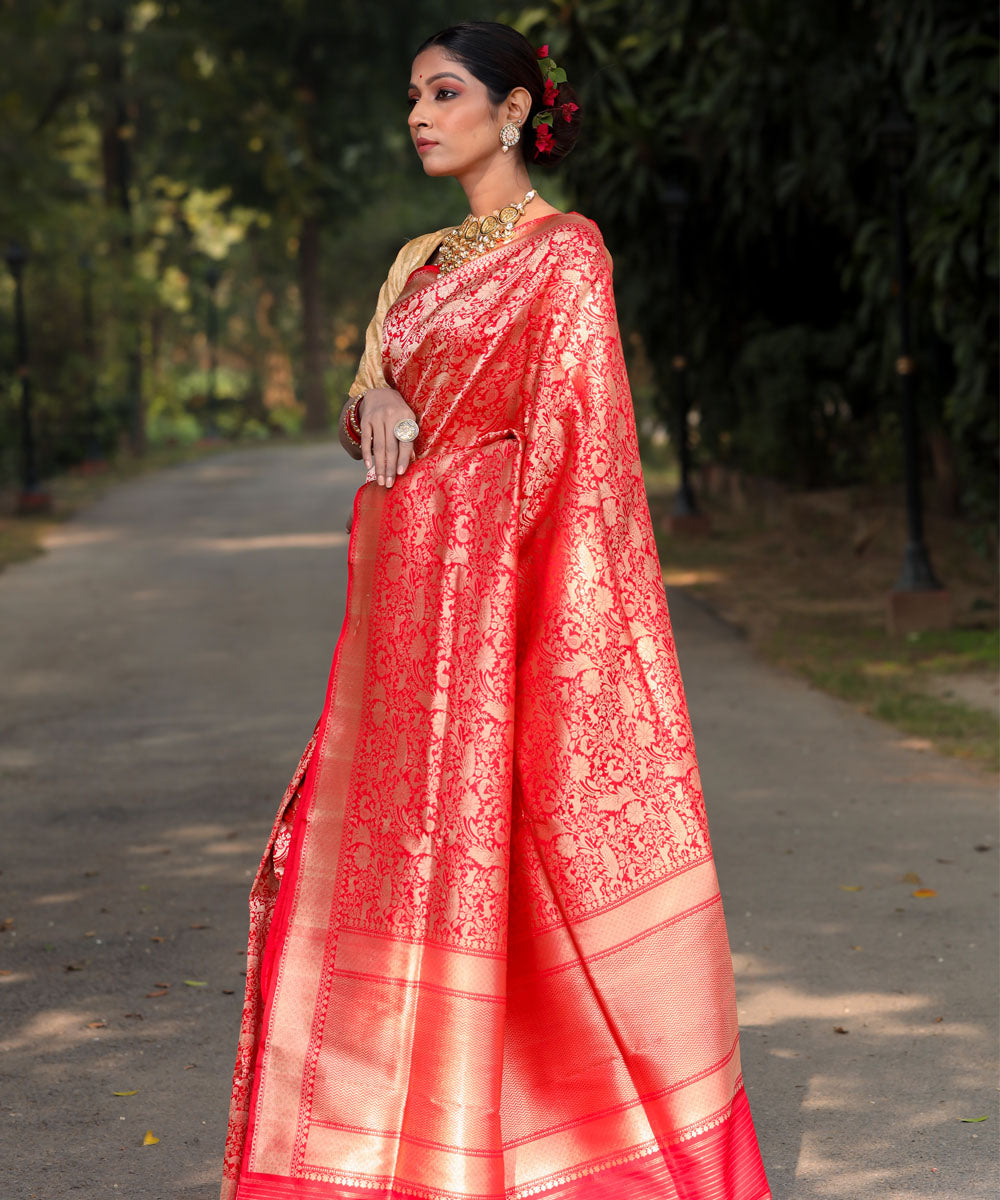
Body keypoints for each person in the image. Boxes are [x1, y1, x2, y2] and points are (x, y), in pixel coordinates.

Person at [221, 20, 770, 1200]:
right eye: (411, 94)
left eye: (444, 92)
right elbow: (369, 392)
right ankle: (382, 1148)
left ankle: (536, 1153)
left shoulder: (567, 254)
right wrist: (369, 408)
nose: (419, 113)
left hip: (493, 602)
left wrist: (499, 560)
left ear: (513, 111)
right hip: (399, 613)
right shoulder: (416, 258)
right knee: (383, 861)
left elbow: (584, 450)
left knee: (502, 867)